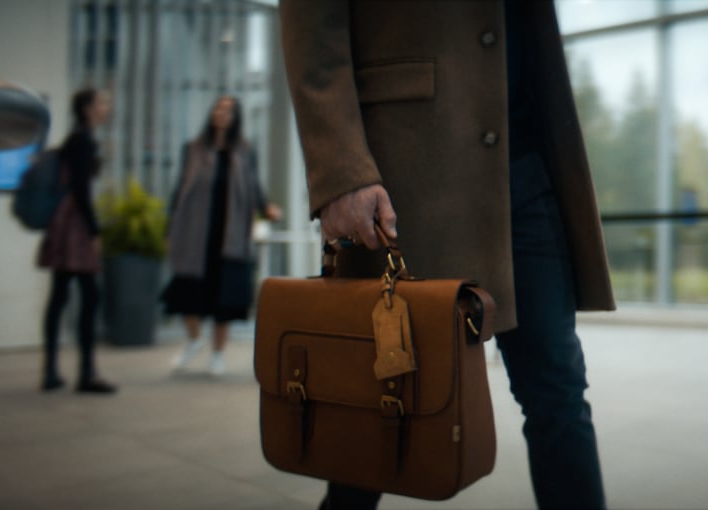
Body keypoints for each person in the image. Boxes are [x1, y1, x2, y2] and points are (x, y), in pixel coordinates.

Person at [279, 1, 616, 508]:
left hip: (526, 163)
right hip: (407, 169)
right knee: (376, 399)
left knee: (559, 393)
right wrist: (341, 171)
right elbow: (312, 22)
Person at [163, 95, 281, 376]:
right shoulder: (193, 149)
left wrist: (266, 207)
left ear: (236, 116)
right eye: (218, 108)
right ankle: (194, 340)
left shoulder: (243, 150)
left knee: (224, 296)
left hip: (231, 233)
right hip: (196, 232)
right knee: (186, 293)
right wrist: (171, 226)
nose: (222, 113)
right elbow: (181, 187)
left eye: (228, 110)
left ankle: (217, 354)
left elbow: (253, 185)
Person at [37, 88, 117, 394]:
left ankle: (52, 372)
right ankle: (86, 374)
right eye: (102, 102)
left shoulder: (77, 138)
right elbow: (82, 191)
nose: (106, 107)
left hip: (65, 223)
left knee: (60, 296)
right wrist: (95, 232)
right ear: (87, 109)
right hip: (75, 226)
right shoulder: (82, 140)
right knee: (87, 297)